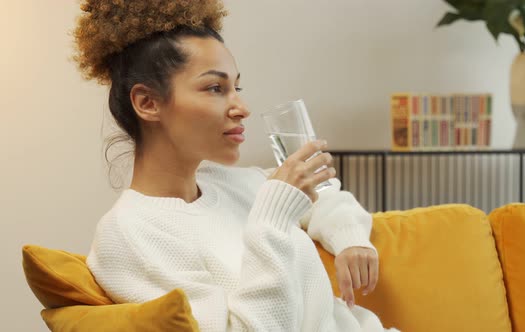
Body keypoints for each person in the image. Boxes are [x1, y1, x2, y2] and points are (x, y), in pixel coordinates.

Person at [74, 1, 400, 331]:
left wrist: (350, 238)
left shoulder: (235, 184)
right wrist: (272, 219)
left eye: (236, 87)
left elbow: (322, 196)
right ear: (148, 103)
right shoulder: (130, 234)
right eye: (215, 88)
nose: (242, 108)